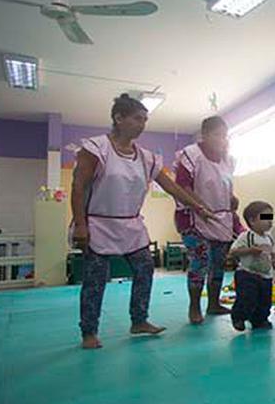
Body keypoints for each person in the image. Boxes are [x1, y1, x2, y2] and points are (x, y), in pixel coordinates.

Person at [70, 94, 214, 349]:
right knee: (95, 280)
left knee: (145, 268)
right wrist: (80, 224)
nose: (142, 124)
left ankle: (139, 320)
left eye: (145, 120)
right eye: (137, 119)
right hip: (98, 224)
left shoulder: (147, 157)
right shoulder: (96, 148)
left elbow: (171, 187)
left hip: (131, 224)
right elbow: (78, 187)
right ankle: (89, 332)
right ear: (119, 118)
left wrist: (198, 207)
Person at [172, 116, 238, 324]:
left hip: (220, 219)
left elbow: (225, 186)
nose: (222, 139)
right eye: (217, 135)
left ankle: (214, 303)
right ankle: (194, 307)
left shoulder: (228, 160)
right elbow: (182, 186)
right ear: (204, 135)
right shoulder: (191, 155)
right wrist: (200, 207)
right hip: (193, 218)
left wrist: (232, 199)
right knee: (200, 261)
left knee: (219, 263)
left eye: (225, 135)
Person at [228, 201, 275, 331]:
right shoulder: (246, 236)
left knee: (265, 300)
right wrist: (250, 250)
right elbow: (233, 252)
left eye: (271, 218)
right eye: (265, 217)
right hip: (247, 273)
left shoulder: (269, 238)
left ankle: (259, 320)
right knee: (247, 297)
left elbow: (272, 253)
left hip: (266, 275)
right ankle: (239, 317)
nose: (270, 221)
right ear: (252, 220)